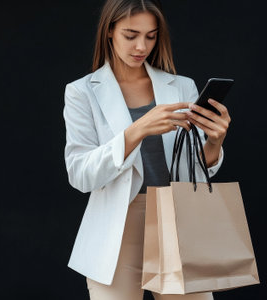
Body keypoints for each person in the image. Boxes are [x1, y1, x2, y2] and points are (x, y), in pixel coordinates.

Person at [63, 0, 231, 299]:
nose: (141, 46)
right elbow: (80, 176)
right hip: (117, 229)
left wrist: (214, 143)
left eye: (150, 36)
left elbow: (190, 171)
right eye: (131, 35)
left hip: (177, 221)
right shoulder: (82, 91)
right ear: (110, 32)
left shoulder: (181, 87)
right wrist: (137, 129)